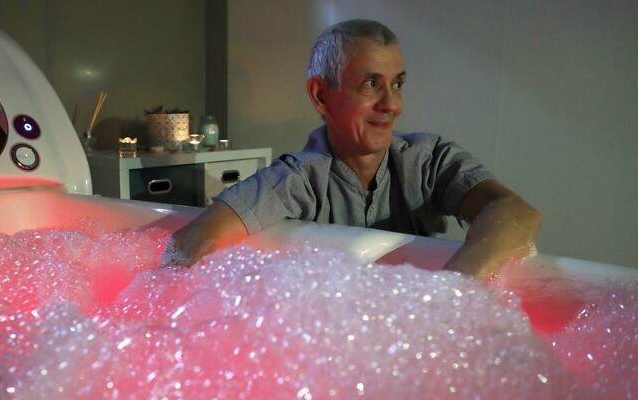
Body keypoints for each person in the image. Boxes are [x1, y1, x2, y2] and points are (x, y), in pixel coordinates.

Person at [163, 19, 541, 282]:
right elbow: (191, 241)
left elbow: (514, 212)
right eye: (371, 84)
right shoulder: (299, 178)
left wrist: (448, 298)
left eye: (398, 84)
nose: (391, 104)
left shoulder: (429, 160)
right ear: (321, 96)